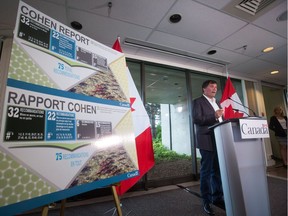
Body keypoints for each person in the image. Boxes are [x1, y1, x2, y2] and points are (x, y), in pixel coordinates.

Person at [192, 80, 225, 215]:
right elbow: (197, 119)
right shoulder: (198, 101)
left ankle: (217, 197)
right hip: (207, 140)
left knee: (217, 171)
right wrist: (214, 115)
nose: (214, 89)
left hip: (219, 140)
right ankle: (206, 201)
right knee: (206, 172)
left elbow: (222, 120)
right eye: (211, 86)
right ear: (204, 89)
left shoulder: (217, 103)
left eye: (216, 87)